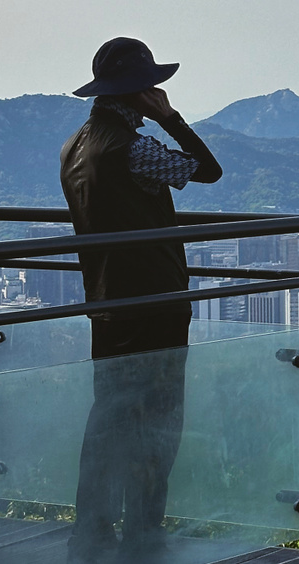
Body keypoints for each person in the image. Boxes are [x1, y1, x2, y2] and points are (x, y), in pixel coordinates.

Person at [60, 37, 222, 563]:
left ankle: (91, 529)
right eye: (151, 86)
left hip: (105, 301)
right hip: (154, 300)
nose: (156, 92)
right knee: (157, 419)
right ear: (135, 93)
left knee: (107, 418)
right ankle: (144, 533)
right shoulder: (133, 148)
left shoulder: (75, 146)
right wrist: (173, 119)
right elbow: (206, 170)